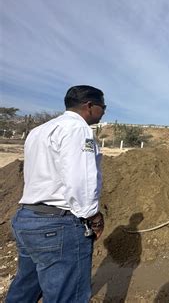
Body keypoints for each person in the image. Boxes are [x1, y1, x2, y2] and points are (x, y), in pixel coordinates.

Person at [6, 85, 107, 303]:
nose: (105, 111)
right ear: (89, 106)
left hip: (27, 219)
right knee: (67, 295)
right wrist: (93, 216)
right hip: (58, 225)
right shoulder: (78, 130)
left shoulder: (39, 131)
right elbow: (80, 179)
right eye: (103, 106)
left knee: (25, 288)